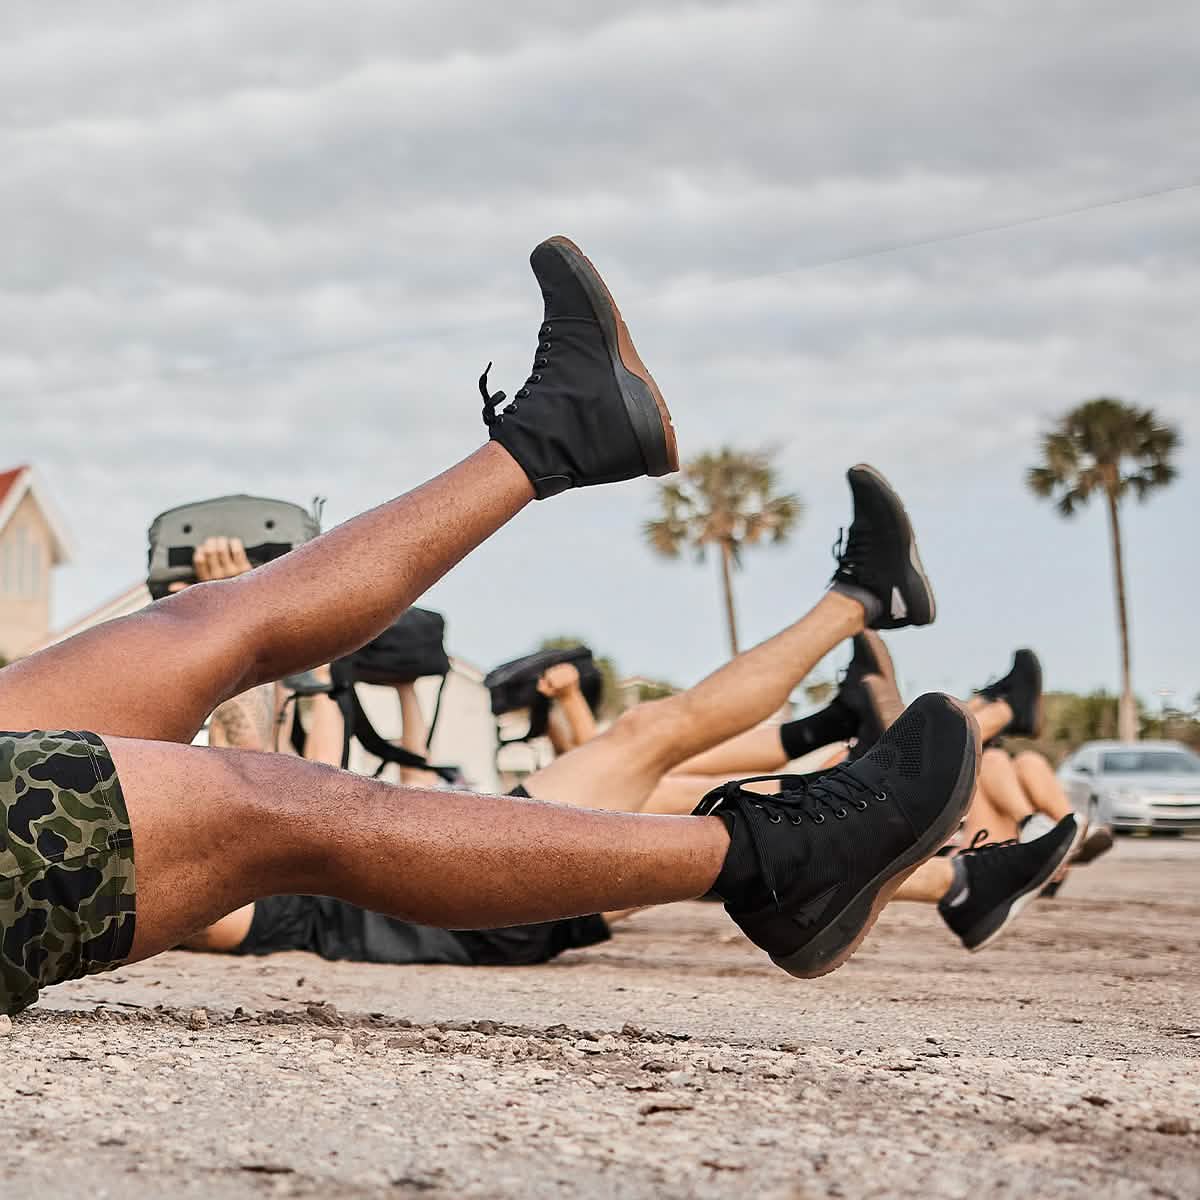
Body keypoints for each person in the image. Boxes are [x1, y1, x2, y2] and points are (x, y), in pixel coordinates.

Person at [0, 235, 978, 1017]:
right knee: (270, 792)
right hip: (481, 909)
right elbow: (223, 802)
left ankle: (562, 429)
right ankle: (781, 857)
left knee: (202, 627)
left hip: (474, 865)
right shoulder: (238, 913)